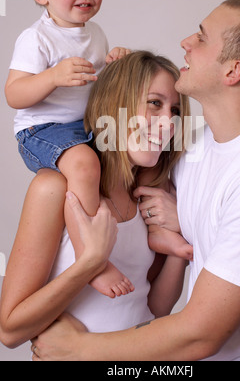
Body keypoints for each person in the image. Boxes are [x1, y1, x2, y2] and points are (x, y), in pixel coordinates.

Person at [29, 0, 240, 361]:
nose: (186, 41)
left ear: (233, 72)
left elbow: (199, 335)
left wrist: (78, 349)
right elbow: (121, 119)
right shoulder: (190, 151)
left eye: (202, 38)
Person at [0, 50, 191, 351]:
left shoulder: (151, 194)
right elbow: (10, 331)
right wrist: (90, 263)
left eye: (176, 111)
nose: (169, 123)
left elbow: (153, 309)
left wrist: (181, 245)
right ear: (116, 105)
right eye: (155, 103)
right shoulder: (54, 189)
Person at [4, 0, 131, 296]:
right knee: (84, 165)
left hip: (84, 126)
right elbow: (14, 93)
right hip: (42, 130)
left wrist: (112, 64)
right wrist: (51, 76)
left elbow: (94, 83)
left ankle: (155, 233)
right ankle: (90, 259)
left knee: (131, 154)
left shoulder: (95, 33)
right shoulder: (36, 38)